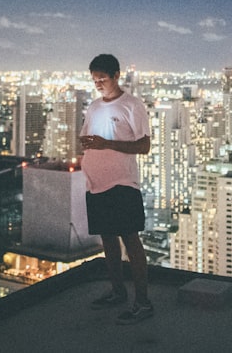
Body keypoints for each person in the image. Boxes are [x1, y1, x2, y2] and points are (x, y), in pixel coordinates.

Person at [78, 53, 153, 324]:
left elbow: (144, 146)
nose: (98, 83)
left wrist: (106, 144)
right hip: (96, 183)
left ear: (116, 75)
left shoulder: (132, 105)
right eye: (94, 79)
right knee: (107, 239)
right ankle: (118, 292)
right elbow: (90, 139)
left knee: (130, 239)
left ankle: (142, 302)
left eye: (103, 78)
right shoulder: (95, 106)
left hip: (122, 182)